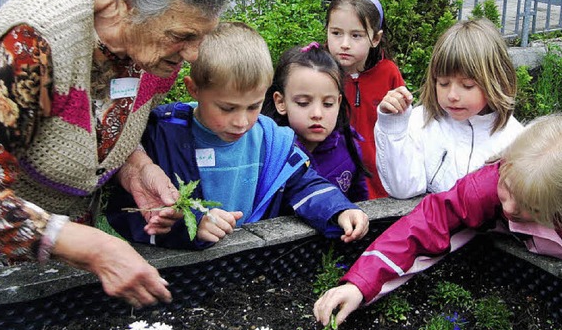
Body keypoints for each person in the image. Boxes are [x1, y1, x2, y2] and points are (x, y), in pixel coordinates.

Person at [0, 0, 232, 308]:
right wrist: (95, 247)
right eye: (182, 37)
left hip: (63, 248)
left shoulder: (154, 48)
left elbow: (98, 123)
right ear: (128, 4)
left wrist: (136, 168)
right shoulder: (33, 41)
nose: (193, 55)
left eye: (202, 37)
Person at [314, 108, 562, 327]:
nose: (508, 208)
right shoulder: (486, 186)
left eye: (531, 209)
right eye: (507, 188)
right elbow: (427, 223)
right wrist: (359, 283)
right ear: (505, 162)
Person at [106, 22, 370, 248]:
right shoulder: (163, 135)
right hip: (178, 277)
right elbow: (127, 211)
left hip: (247, 267)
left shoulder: (271, 141)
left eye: (254, 106)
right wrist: (189, 228)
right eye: (227, 108)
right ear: (193, 89)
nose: (242, 121)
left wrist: (338, 210)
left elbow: (303, 184)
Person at [375, 18, 523, 199]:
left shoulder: (516, 139)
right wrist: (393, 127)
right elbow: (403, 188)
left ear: (496, 80)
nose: (452, 95)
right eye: (443, 83)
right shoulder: (420, 122)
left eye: (467, 85)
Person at [262, 42, 369, 202]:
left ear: (339, 102)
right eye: (304, 103)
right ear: (281, 102)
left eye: (328, 104)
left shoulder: (348, 146)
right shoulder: (270, 152)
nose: (317, 114)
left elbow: (360, 202)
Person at [326, 0, 405, 200]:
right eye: (336, 33)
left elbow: (404, 127)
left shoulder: (388, 73)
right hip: (332, 179)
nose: (344, 44)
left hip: (380, 180)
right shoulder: (320, 71)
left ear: (376, 38)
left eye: (356, 35)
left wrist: (397, 107)